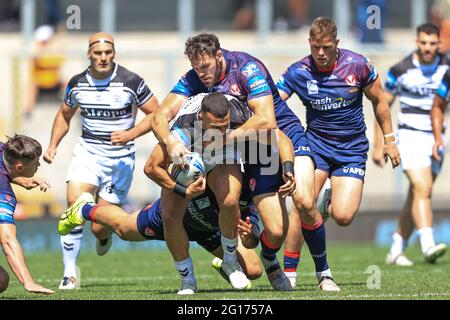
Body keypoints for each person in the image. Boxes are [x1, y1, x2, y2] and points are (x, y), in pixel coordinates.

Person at [152, 33, 338, 292]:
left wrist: (224, 142)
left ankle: (321, 273)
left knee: (304, 202)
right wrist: (170, 142)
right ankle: (256, 260)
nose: (201, 74)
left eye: (205, 67)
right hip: (240, 149)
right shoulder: (194, 79)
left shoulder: (246, 68)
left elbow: (267, 121)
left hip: (275, 140)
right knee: (261, 232)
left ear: (219, 56)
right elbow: (160, 115)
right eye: (196, 68)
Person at [277, 17, 400, 286]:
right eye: (316, 47)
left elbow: (380, 100)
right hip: (315, 146)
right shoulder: (298, 71)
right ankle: (290, 272)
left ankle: (325, 205)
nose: (321, 53)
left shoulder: (357, 65)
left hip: (351, 149)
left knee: (343, 216)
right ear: (310, 43)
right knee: (301, 203)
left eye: (327, 47)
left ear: (337, 44)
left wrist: (389, 140)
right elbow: (272, 101)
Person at [43, 32, 160, 290]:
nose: (103, 58)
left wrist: (130, 133)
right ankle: (70, 272)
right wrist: (52, 146)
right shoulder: (77, 83)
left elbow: (157, 113)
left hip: (119, 162)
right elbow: (64, 115)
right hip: (88, 153)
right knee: (74, 204)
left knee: (99, 227)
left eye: (108, 53)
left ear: (114, 53)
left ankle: (103, 237)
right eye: (98, 53)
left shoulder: (131, 81)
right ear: (89, 54)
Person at [152, 92, 296, 293]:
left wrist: (288, 168)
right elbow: (151, 168)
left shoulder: (239, 116)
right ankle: (187, 281)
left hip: (222, 150)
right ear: (202, 117)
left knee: (229, 200)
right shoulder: (184, 130)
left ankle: (230, 262)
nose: (221, 131)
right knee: (169, 216)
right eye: (215, 127)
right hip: (190, 151)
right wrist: (182, 190)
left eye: (224, 126)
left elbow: (280, 138)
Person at [56, 180, 263, 294]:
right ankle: (84, 209)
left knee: (253, 271)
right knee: (122, 229)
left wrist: (248, 238)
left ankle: (224, 263)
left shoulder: (248, 193)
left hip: (209, 231)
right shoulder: (209, 175)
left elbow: (252, 237)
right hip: (172, 219)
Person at [372, 23, 448, 266]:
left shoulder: (447, 67)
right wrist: (379, 144)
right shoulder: (401, 69)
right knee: (422, 187)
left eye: (432, 43)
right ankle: (428, 244)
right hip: (410, 135)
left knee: (417, 194)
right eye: (423, 42)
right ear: (417, 42)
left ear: (439, 43)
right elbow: (383, 106)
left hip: (436, 138)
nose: (428, 48)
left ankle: (396, 247)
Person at [0, 134, 54, 295]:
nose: (39, 164)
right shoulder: (3, 193)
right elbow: (7, 240)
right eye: (35, 162)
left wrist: (19, 179)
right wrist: (28, 281)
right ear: (19, 167)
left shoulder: (4, 149)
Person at [24, 25, 66, 118]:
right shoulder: (34, 49)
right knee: (31, 85)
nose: (44, 44)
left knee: (69, 83)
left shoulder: (55, 50)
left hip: (54, 82)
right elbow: (37, 60)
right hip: (39, 83)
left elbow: (59, 62)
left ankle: (77, 110)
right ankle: (28, 110)